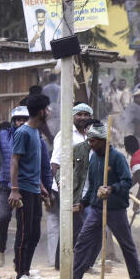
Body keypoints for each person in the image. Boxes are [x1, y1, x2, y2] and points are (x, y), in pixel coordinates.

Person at [72, 122, 140, 279]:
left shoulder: (117, 157)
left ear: (103, 140)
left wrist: (112, 188)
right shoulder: (94, 158)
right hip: (97, 209)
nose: (90, 144)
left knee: (126, 245)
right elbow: (92, 188)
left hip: (116, 209)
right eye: (89, 141)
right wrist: (83, 203)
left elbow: (127, 181)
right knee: (83, 241)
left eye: (93, 141)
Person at [9, 93, 52, 279]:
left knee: (35, 233)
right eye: (47, 109)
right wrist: (14, 189)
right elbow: (14, 161)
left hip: (35, 189)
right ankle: (20, 273)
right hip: (23, 189)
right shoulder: (23, 132)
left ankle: (27, 269)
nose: (49, 112)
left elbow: (32, 165)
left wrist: (42, 187)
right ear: (41, 111)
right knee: (25, 231)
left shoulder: (36, 132)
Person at [49, 102, 94, 267]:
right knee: (75, 226)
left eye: (86, 114)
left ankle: (70, 263)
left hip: (86, 189)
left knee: (78, 227)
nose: (82, 118)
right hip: (69, 190)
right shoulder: (65, 134)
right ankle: (65, 264)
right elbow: (55, 163)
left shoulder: (90, 135)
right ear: (72, 117)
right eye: (79, 114)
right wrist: (62, 187)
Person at [0, 106, 30, 267]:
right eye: (18, 119)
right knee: (3, 217)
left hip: (26, 186)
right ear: (13, 121)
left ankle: (19, 259)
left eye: (24, 119)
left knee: (24, 224)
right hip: (6, 185)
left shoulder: (33, 136)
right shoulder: (3, 135)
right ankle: (0, 249)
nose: (21, 122)